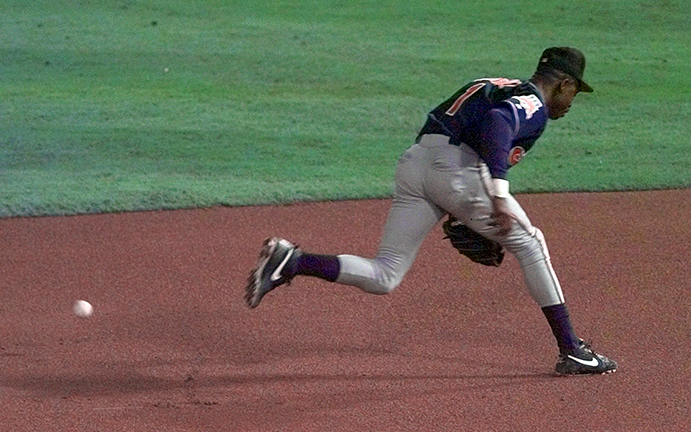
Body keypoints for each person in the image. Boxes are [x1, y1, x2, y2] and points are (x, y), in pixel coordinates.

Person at [245, 47, 617, 375]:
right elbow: (498, 122)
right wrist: (499, 194)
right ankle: (573, 350)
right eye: (574, 93)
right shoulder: (532, 101)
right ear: (565, 83)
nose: (571, 103)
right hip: (456, 169)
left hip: (415, 164)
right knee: (531, 243)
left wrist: (460, 207)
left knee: (385, 274)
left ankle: (291, 260)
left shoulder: (497, 83)